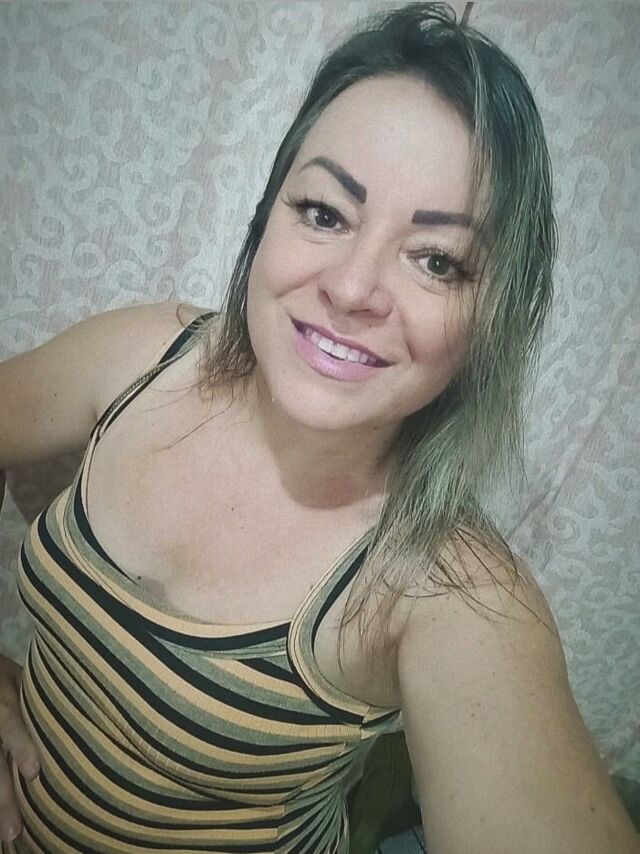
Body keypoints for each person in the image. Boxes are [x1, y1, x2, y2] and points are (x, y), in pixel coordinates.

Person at [0, 2, 638, 852]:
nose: (352, 288)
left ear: (490, 321)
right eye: (325, 213)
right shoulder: (142, 355)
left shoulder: (445, 589)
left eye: (437, 260)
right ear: (268, 213)